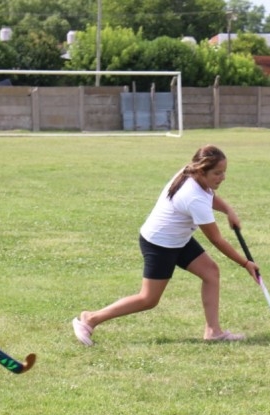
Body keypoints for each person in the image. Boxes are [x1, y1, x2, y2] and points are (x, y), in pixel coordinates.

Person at [73, 145, 258, 346]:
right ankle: (90, 318)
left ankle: (213, 332)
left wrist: (228, 210)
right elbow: (216, 239)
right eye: (217, 173)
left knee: (211, 273)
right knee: (148, 299)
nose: (223, 177)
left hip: (178, 239)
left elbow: (209, 195)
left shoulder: (192, 174)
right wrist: (245, 263)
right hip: (160, 244)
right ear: (201, 171)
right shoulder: (193, 197)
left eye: (224, 172)